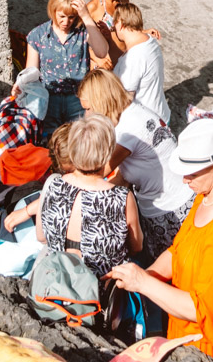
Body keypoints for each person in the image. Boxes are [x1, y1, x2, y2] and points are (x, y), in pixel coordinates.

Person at [110, 119, 213, 362]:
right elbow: (178, 250)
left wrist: (144, 283)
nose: (185, 180)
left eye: (192, 173)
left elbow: (202, 311)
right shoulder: (206, 195)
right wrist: (141, 274)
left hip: (201, 349)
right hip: (180, 334)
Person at [78, 70, 194, 260]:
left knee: (170, 265)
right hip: (179, 197)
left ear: (102, 103)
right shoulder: (134, 111)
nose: (86, 115)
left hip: (169, 209)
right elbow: (122, 176)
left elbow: (96, 174)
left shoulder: (126, 132)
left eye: (89, 108)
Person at [36, 114, 142, 279]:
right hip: (100, 290)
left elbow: (42, 237)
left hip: (58, 282)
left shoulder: (53, 185)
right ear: (107, 153)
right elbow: (137, 247)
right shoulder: (121, 198)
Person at [25, 0, 110, 138]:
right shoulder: (38, 35)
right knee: (51, 142)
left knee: (79, 141)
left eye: (71, 17)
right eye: (62, 16)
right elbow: (31, 72)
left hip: (78, 100)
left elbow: (102, 52)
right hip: (50, 100)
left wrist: (86, 16)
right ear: (53, 11)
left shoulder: (83, 30)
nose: (66, 22)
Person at [113, 1, 170, 123]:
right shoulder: (149, 40)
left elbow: (125, 101)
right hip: (161, 114)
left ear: (121, 24)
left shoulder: (133, 58)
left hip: (147, 124)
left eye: (115, 25)